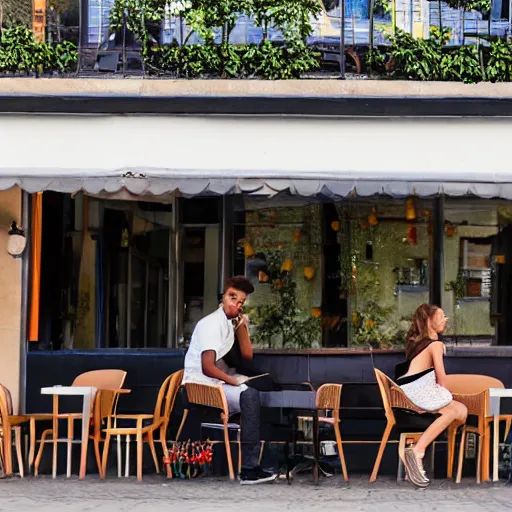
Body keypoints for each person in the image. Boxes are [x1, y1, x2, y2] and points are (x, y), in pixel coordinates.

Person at [182, 275, 277, 485]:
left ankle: (259, 461)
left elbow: (247, 357)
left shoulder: (228, 325)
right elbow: (207, 367)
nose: (236, 303)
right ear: (223, 296)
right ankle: (249, 469)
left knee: (262, 385)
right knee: (249, 395)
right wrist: (234, 382)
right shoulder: (211, 324)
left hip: (216, 383)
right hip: (200, 385)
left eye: (241, 301)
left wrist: (242, 326)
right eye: (232, 297)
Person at [394, 303, 468, 488]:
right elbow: (441, 378)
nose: (446, 319)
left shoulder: (420, 344)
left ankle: (418, 450)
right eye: (441, 316)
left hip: (410, 389)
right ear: (430, 320)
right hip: (417, 390)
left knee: (462, 410)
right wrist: (447, 395)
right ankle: (418, 450)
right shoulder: (435, 345)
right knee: (453, 412)